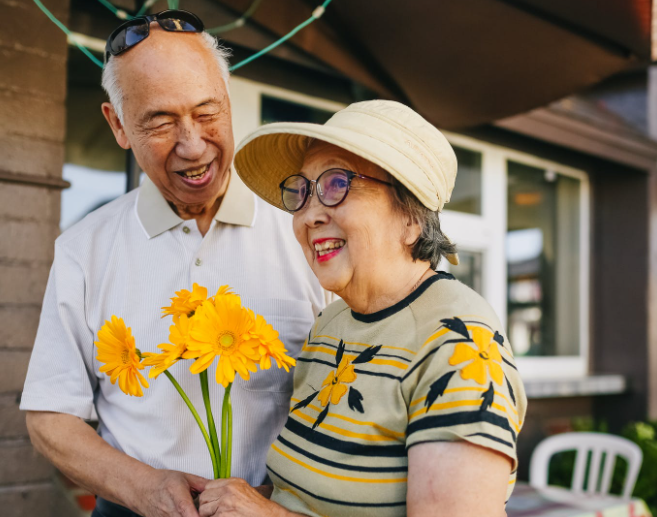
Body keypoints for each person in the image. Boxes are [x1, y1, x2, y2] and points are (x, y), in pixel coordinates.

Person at [19, 11, 326, 517]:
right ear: (117, 125)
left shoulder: (306, 230)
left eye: (208, 113)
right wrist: (142, 486)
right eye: (160, 121)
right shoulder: (83, 249)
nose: (193, 144)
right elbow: (50, 416)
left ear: (229, 104)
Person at [198, 100, 528, 516]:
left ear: (411, 217)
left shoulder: (459, 346)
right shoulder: (331, 324)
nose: (310, 215)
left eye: (337, 184)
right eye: (301, 192)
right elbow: (306, 498)